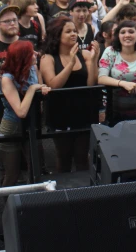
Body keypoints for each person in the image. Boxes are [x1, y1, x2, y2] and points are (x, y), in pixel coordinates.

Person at [40, 17, 99, 173]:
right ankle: (62, 193)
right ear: (57, 35)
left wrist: (94, 60)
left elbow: (90, 84)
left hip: (83, 112)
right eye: (68, 31)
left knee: (82, 156)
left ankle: (86, 193)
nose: (73, 34)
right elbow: (53, 85)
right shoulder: (48, 58)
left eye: (74, 31)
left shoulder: (85, 54)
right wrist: (71, 64)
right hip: (60, 114)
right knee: (64, 156)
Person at [0, 41, 51, 186]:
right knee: (12, 174)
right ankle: (6, 207)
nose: (36, 54)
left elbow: (38, 86)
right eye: (31, 53)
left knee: (35, 169)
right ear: (22, 58)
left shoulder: (33, 67)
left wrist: (42, 88)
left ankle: (32, 203)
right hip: (12, 127)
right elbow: (20, 111)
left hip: (31, 123)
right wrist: (33, 89)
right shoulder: (7, 78)